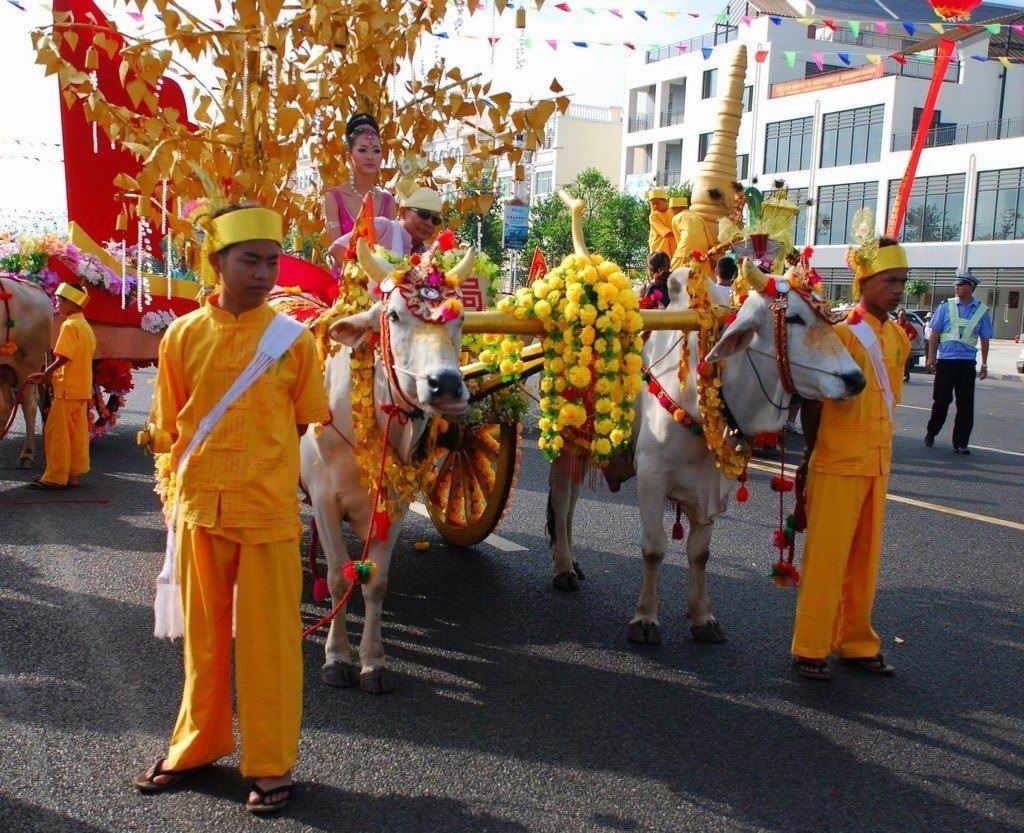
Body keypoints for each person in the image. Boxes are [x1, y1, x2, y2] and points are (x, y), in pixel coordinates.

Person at [133, 203, 330, 815]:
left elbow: (306, 416)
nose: (264, 272)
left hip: (268, 511)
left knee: (271, 645)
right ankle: (196, 745)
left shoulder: (295, 344)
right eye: (250, 260)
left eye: (272, 261)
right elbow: (167, 425)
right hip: (199, 509)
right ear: (216, 262)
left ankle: (270, 765)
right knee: (206, 641)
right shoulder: (181, 336)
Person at [791, 236, 910, 682]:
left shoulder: (898, 336)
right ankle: (810, 646)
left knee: (865, 560)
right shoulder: (838, 334)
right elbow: (814, 402)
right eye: (889, 280)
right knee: (826, 559)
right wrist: (812, 454)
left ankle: (857, 642)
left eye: (902, 281)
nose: (898, 289)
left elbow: (890, 397)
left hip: (877, 463)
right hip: (837, 462)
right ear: (864, 280)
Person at [28, 282, 96, 490]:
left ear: (73, 303)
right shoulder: (85, 326)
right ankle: (74, 475)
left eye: (60, 299)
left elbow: (64, 356)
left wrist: (47, 373)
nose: (56, 303)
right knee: (76, 434)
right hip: (81, 388)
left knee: (56, 433)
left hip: (66, 389)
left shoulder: (69, 325)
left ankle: (55, 477)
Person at [924, 273, 994, 454]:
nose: (956, 287)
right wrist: (931, 357)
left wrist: (984, 364)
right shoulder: (945, 306)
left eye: (960, 284)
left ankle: (961, 443)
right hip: (946, 361)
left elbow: (985, 338)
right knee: (941, 400)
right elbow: (934, 334)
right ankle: (932, 432)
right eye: (955, 284)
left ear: (971, 287)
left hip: (967, 363)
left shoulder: (981, 310)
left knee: (965, 404)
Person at [322, 113, 395, 248]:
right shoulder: (333, 197)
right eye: (362, 150)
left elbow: (393, 249)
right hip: (345, 268)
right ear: (349, 157)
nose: (370, 156)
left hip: (385, 269)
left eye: (376, 150)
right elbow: (336, 250)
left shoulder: (388, 201)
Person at [330, 187, 442, 264]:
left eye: (435, 220)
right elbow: (338, 249)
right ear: (403, 213)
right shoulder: (385, 227)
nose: (429, 223)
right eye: (424, 214)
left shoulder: (428, 253)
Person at [647, 187, 675, 257]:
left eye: (658, 203)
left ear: (664, 201)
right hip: (658, 248)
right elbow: (666, 233)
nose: (655, 206)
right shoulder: (653, 216)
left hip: (673, 246)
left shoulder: (672, 213)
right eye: (653, 204)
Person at [895, 309, 918, 382]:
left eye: (903, 315)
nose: (902, 316)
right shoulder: (894, 323)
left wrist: (907, 339)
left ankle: (906, 375)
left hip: (904, 346)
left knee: (905, 361)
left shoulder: (907, 324)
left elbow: (914, 332)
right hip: (895, 345)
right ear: (898, 315)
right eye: (901, 314)